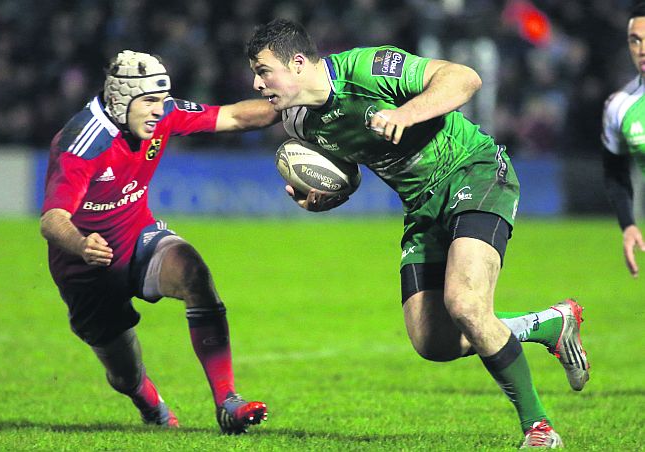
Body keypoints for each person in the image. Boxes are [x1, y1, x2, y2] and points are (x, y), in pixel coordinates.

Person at [247, 19, 589, 448]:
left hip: (474, 171)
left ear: (297, 63)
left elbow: (465, 77)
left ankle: (539, 428)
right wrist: (327, 197)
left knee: (465, 303)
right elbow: (348, 175)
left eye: (263, 71)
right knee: (433, 342)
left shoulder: (367, 68)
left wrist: (406, 113)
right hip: (422, 207)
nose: (258, 84)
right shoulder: (300, 124)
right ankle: (547, 325)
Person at [40, 50, 279, 434]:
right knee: (125, 374)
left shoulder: (162, 113)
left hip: (138, 239)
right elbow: (53, 220)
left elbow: (234, 115)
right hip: (86, 270)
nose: (159, 110)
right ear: (121, 100)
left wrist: (297, 99)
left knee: (193, 273)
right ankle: (150, 406)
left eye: (161, 100)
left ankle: (228, 402)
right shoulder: (81, 143)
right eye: (149, 102)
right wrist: (83, 245)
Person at [602, 2, 645, 278]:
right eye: (635, 40)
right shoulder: (619, 106)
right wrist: (628, 224)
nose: (642, 49)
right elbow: (615, 171)